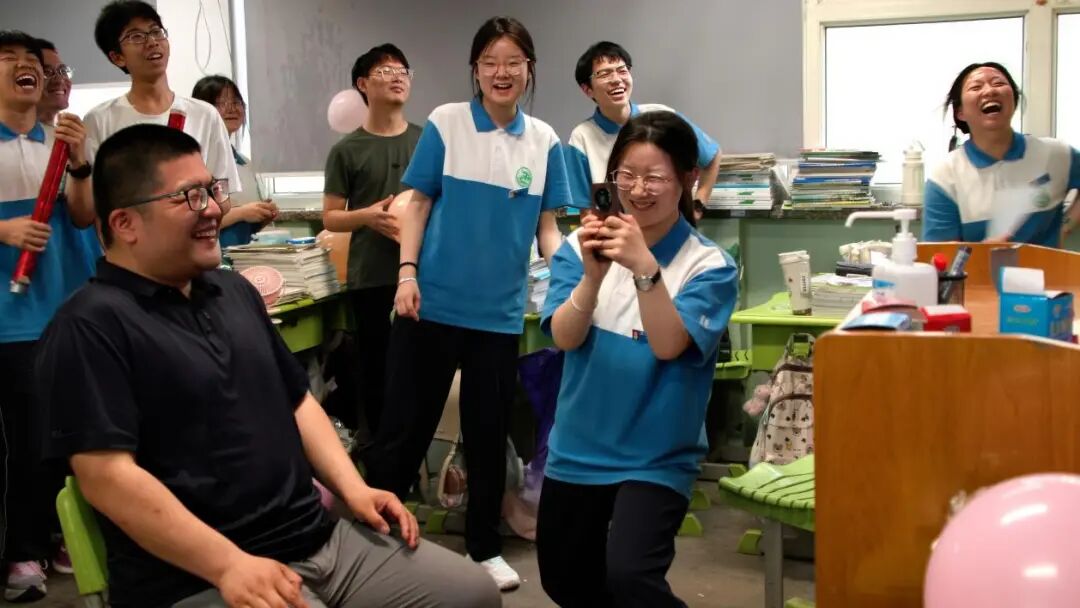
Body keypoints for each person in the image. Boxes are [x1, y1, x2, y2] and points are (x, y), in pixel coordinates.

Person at [34, 123, 500, 608]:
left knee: (472, 594)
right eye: (190, 197)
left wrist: (354, 489)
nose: (215, 209)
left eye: (212, 190)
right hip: (197, 577)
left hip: (316, 539)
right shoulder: (89, 327)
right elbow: (106, 478)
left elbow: (298, 402)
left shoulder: (233, 291)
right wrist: (227, 564)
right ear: (125, 223)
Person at [363, 16, 572, 592]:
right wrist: (407, 274)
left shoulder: (545, 140)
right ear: (475, 69)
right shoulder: (447, 122)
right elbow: (416, 205)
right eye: (490, 62)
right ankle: (372, 541)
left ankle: (484, 547)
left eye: (513, 62)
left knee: (487, 434)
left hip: (498, 316)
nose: (502, 73)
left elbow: (548, 230)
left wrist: (575, 276)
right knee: (403, 430)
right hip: (429, 305)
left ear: (529, 69)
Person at [536, 111, 738, 607]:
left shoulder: (709, 266)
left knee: (630, 576)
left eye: (655, 177)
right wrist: (592, 278)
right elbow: (564, 337)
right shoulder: (580, 247)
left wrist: (645, 268)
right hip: (577, 448)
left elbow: (668, 345)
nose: (638, 190)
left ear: (688, 178)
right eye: (626, 175)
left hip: (655, 457)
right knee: (565, 582)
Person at [0, 30, 98, 602]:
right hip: (11, 319)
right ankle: (22, 549)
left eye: (31, 61)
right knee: (24, 441)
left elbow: (83, 218)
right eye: (8, 60)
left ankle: (59, 538)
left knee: (66, 434)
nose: (25, 67)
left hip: (64, 312)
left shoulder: (56, 142)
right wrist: (4, 229)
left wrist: (80, 164)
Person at [321, 44, 422, 443]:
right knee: (377, 372)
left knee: (419, 371)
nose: (397, 77)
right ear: (362, 85)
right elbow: (331, 216)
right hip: (372, 276)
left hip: (422, 274)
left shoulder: (427, 140)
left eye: (403, 71)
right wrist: (366, 216)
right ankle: (380, 455)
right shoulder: (346, 150)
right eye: (384, 71)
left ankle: (416, 454)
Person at [85, 1, 240, 200]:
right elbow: (93, 205)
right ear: (117, 57)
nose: (152, 42)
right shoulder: (100, 120)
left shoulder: (204, 115)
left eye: (156, 32)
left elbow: (223, 198)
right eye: (136, 36)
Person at [924, 62, 1080, 247]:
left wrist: (1065, 227)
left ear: (1014, 100)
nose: (990, 91)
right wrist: (983, 253)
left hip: (1049, 266)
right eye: (976, 87)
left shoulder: (1055, 154)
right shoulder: (945, 177)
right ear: (960, 113)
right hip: (978, 267)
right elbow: (941, 257)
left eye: (998, 83)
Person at [565, 41, 722, 210]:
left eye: (622, 70)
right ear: (587, 89)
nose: (617, 80)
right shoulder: (582, 137)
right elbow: (586, 209)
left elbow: (711, 156)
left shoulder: (663, 117)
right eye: (604, 74)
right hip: (614, 226)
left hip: (670, 224)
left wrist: (698, 206)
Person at [191, 75, 277, 248]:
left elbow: (245, 225)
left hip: (242, 256)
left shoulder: (244, 163)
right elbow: (193, 224)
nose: (231, 109)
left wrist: (262, 215)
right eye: (221, 103)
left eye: (236, 102)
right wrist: (242, 213)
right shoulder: (195, 161)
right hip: (211, 255)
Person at [35, 38, 71, 125]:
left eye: (63, 71)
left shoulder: (73, 130)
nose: (60, 80)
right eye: (47, 72)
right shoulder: (10, 132)